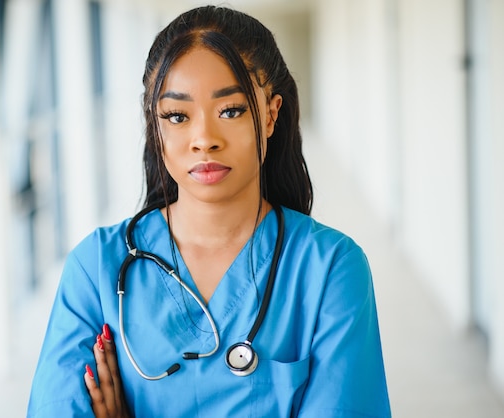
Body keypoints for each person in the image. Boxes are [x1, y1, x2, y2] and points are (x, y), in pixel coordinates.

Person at [27, 5, 391, 417]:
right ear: (156, 125)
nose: (203, 139)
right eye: (177, 116)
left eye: (230, 110)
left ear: (271, 114)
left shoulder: (331, 268)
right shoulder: (96, 268)